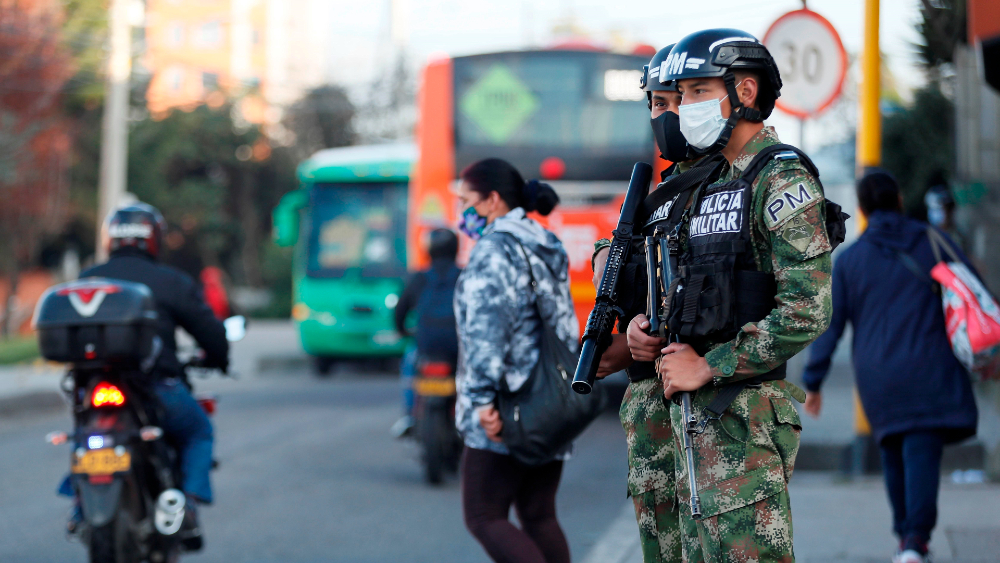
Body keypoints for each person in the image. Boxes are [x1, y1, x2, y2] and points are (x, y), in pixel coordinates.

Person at [640, 30, 836, 562]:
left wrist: (711, 366)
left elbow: (807, 309)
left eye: (699, 93)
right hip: (695, 424)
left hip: (743, 424)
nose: (683, 108)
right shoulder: (707, 181)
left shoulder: (780, 177)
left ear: (744, 91)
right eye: (678, 95)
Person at [590, 42, 725, 563]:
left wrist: (709, 361)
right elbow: (619, 254)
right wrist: (632, 335)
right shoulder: (661, 193)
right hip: (654, 418)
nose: (667, 116)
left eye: (680, 101)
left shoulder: (737, 180)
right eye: (658, 104)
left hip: (717, 418)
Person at [802, 170, 978, 563]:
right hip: (931, 367)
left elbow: (829, 328)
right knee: (920, 451)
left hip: (878, 376)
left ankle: (907, 540)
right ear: (899, 200)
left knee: (893, 449)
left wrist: (813, 382)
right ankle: (915, 540)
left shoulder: (849, 262)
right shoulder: (933, 243)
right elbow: (973, 290)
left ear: (862, 209)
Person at [78, 203, 229, 549]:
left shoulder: (88, 280)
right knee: (198, 431)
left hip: (93, 391)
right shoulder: (172, 282)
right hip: (156, 388)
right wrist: (218, 358)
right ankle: (187, 505)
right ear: (153, 238)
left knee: (84, 436)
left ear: (110, 239)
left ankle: (76, 503)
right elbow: (210, 332)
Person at [454, 158, 577, 563]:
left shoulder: (494, 249)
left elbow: (487, 330)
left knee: (484, 516)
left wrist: (483, 399)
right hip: (552, 397)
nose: (462, 211)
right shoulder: (546, 241)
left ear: (491, 200)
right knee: (539, 515)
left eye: (466, 201)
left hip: (509, 400)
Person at [391, 228, 461, 438]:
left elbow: (400, 311)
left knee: (410, 366)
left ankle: (410, 416)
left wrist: (402, 332)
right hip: (458, 346)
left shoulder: (419, 278)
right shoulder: (465, 276)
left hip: (426, 344)